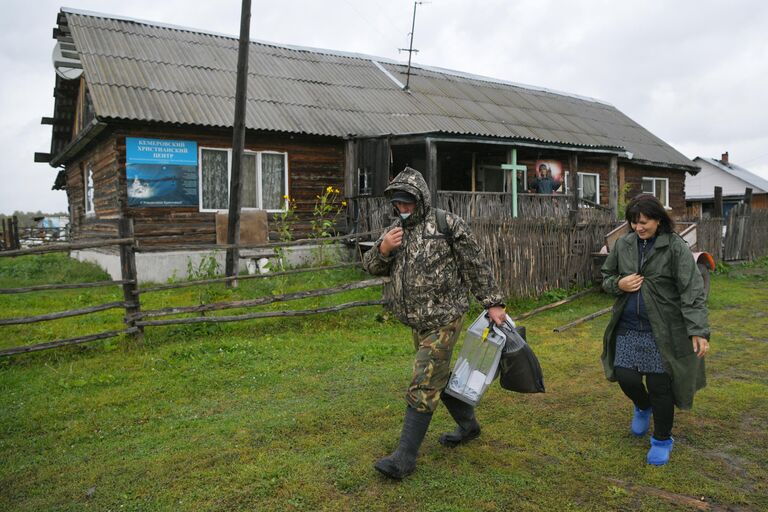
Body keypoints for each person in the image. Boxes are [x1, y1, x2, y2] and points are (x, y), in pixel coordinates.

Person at [362, 167, 506, 480]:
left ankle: (404, 458)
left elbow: (475, 263)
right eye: (398, 204)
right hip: (417, 321)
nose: (403, 208)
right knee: (438, 375)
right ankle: (469, 426)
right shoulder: (396, 230)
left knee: (425, 379)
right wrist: (384, 248)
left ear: (421, 199)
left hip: (446, 316)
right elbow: (371, 266)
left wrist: (493, 302)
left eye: (408, 202)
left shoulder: (447, 224)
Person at [601, 194, 710, 466]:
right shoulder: (624, 245)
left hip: (662, 330)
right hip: (627, 327)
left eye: (644, 222)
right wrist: (619, 284)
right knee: (626, 377)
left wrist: (697, 330)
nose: (639, 228)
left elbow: (692, 291)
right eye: (634, 222)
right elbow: (606, 278)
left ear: (659, 220)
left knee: (660, 387)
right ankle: (642, 405)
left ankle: (662, 440)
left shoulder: (674, 248)